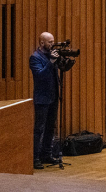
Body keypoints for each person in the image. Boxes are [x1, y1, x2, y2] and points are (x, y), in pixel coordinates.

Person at [29, 32, 62, 169]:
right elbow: (40, 75)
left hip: (53, 97)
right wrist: (51, 62)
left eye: (53, 41)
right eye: (49, 42)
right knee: (39, 129)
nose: (52, 44)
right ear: (42, 43)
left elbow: (59, 70)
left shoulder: (51, 55)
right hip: (42, 99)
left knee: (50, 127)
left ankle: (47, 154)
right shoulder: (34, 57)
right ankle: (35, 157)